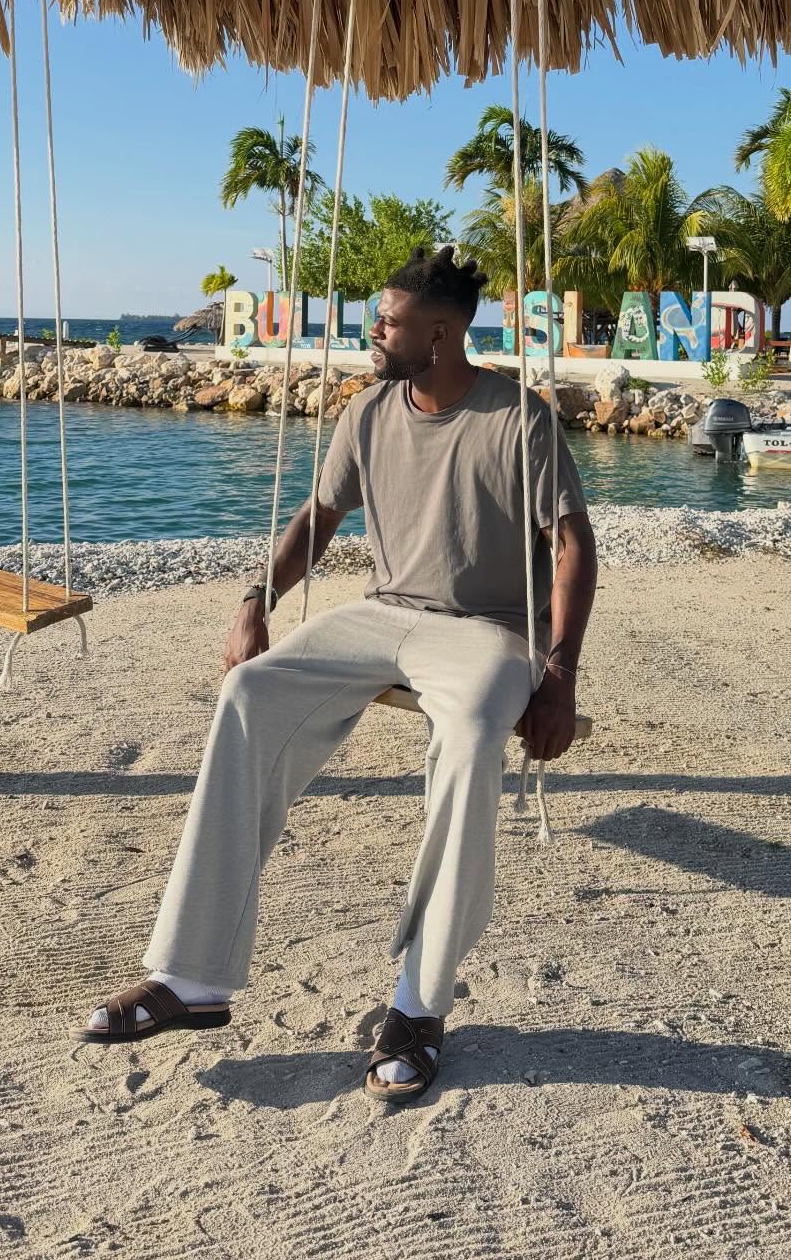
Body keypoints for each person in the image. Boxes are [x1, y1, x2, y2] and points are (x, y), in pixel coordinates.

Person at [82, 246, 598, 1100]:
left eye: (387, 322)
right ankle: (192, 976)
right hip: (381, 614)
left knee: (473, 737)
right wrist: (257, 599)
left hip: (488, 629)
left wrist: (560, 674)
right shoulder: (368, 411)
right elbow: (319, 517)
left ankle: (419, 1003)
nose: (372, 334)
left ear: (440, 334)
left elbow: (574, 545)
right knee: (248, 692)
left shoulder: (519, 418)